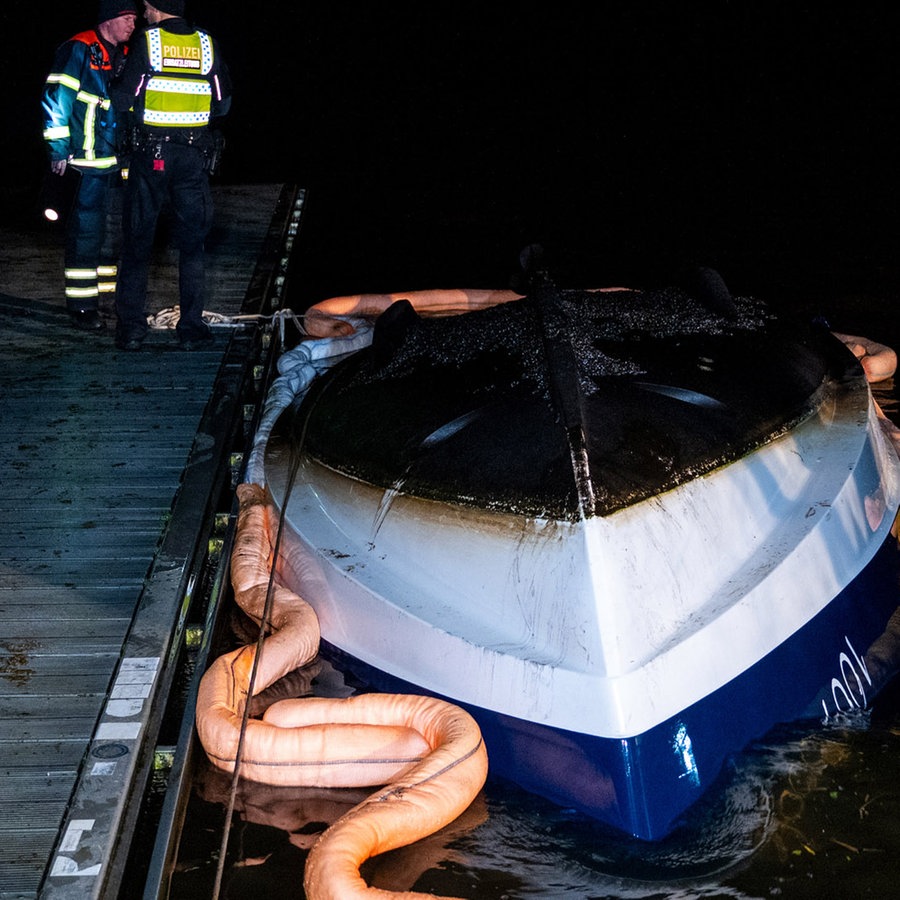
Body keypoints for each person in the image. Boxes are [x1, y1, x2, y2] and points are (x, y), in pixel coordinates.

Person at [111, 0, 232, 351]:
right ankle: (191, 329)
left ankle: (132, 330)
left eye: (145, 8)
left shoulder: (148, 42)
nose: (143, 14)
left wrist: (119, 81)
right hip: (193, 158)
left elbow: (122, 100)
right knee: (192, 245)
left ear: (155, 8)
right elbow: (223, 104)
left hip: (152, 156)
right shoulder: (206, 43)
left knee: (137, 243)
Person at [41, 1, 138, 331]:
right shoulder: (79, 48)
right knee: (85, 236)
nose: (132, 24)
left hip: (117, 162)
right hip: (85, 163)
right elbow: (56, 100)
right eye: (127, 18)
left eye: (135, 19)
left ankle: (108, 303)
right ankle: (82, 308)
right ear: (109, 19)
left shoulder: (123, 53)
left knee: (114, 237)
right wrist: (58, 150)